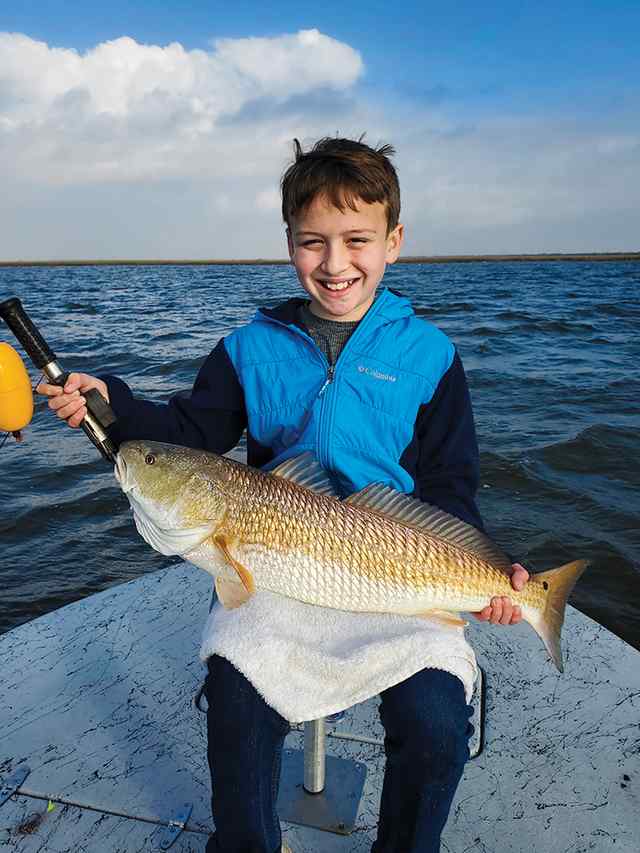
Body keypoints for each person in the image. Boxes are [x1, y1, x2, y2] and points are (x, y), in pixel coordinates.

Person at [38, 136, 529, 853]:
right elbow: (188, 429)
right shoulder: (248, 347)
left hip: (393, 565)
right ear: (289, 244)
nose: (335, 264)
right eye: (313, 243)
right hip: (269, 560)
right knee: (236, 707)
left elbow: (450, 486)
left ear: (394, 242)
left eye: (357, 240)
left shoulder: (431, 356)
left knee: (435, 721)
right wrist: (111, 401)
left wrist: (494, 569)